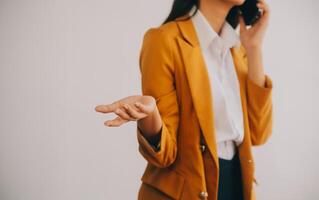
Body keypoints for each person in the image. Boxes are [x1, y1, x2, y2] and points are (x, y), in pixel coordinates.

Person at [95, 0, 273, 199]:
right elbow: (165, 155)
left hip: (237, 184)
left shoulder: (237, 49)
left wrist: (254, 48)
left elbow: (259, 134)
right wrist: (151, 115)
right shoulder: (164, 39)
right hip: (185, 190)